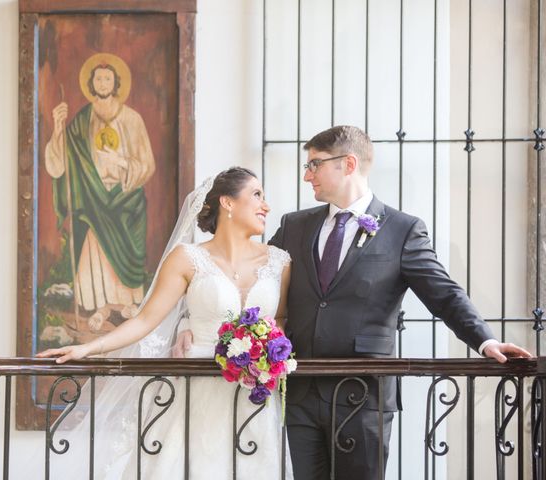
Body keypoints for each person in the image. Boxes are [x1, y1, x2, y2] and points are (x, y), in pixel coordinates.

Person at [265, 125, 532, 479]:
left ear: (348, 163)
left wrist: (485, 340)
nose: (306, 175)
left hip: (362, 394)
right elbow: (258, 281)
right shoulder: (294, 226)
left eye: (314, 165)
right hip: (301, 391)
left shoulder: (402, 230)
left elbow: (443, 294)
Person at [37, 167, 294, 479]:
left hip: (254, 398)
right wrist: (88, 348)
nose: (265, 205)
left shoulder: (279, 261)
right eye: (257, 195)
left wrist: (268, 352)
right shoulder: (187, 258)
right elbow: (145, 319)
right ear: (227, 203)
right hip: (195, 391)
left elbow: (280, 320)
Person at [45, 57, 156, 330]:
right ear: (91, 83)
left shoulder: (132, 119)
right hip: (94, 197)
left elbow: (147, 164)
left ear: (116, 83)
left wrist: (121, 163)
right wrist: (58, 129)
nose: (103, 83)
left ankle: (127, 304)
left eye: (108, 78)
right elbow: (62, 165)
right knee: (95, 247)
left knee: (126, 252)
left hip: (125, 196)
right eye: (98, 79)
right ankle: (101, 307)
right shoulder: (83, 120)